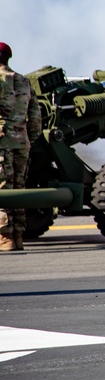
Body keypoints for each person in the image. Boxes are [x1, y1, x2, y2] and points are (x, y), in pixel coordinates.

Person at [0, 43, 42, 251]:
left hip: (2, 143)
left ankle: (4, 237)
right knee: (18, 189)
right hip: (21, 142)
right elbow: (35, 116)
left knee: (2, 190)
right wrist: (29, 138)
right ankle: (17, 236)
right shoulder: (24, 81)